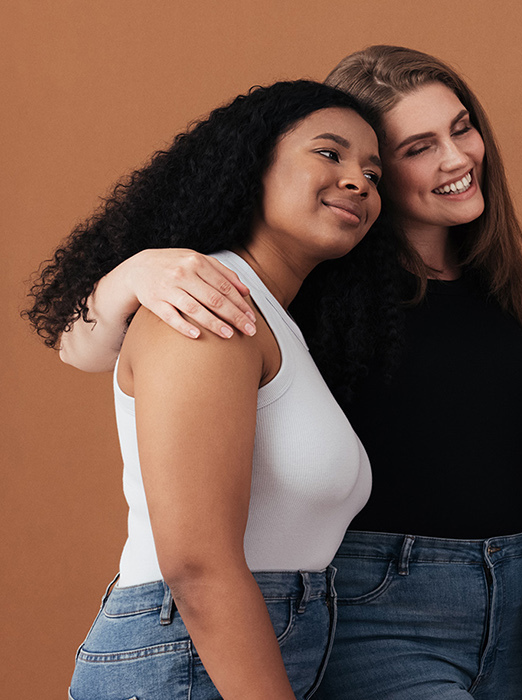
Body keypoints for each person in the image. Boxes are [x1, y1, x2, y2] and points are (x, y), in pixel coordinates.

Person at [50, 46, 522, 699]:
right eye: (416, 147)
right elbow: (89, 348)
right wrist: (138, 272)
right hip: (373, 602)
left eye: (462, 128)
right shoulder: (308, 292)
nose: (456, 157)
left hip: (519, 598)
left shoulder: (503, 297)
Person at [27, 81, 383, 699]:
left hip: (231, 651)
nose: (358, 181)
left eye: (373, 172)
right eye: (329, 153)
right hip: (188, 661)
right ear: (253, 164)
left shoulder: (273, 316)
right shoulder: (205, 303)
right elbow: (197, 565)